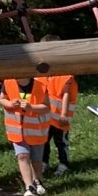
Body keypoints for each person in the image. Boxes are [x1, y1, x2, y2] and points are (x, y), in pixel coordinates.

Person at [0, 77, 50, 196]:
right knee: (22, 156)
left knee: (37, 160)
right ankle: (29, 187)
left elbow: (46, 107)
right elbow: (2, 99)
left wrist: (31, 107)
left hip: (36, 131)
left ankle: (37, 181)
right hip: (17, 130)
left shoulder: (41, 84)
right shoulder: (8, 82)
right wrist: (10, 104)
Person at [39, 34, 77, 175]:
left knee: (61, 141)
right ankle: (43, 163)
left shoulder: (64, 73)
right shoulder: (42, 72)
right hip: (46, 116)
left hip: (60, 116)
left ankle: (64, 164)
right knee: (44, 141)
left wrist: (64, 114)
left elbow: (66, 94)